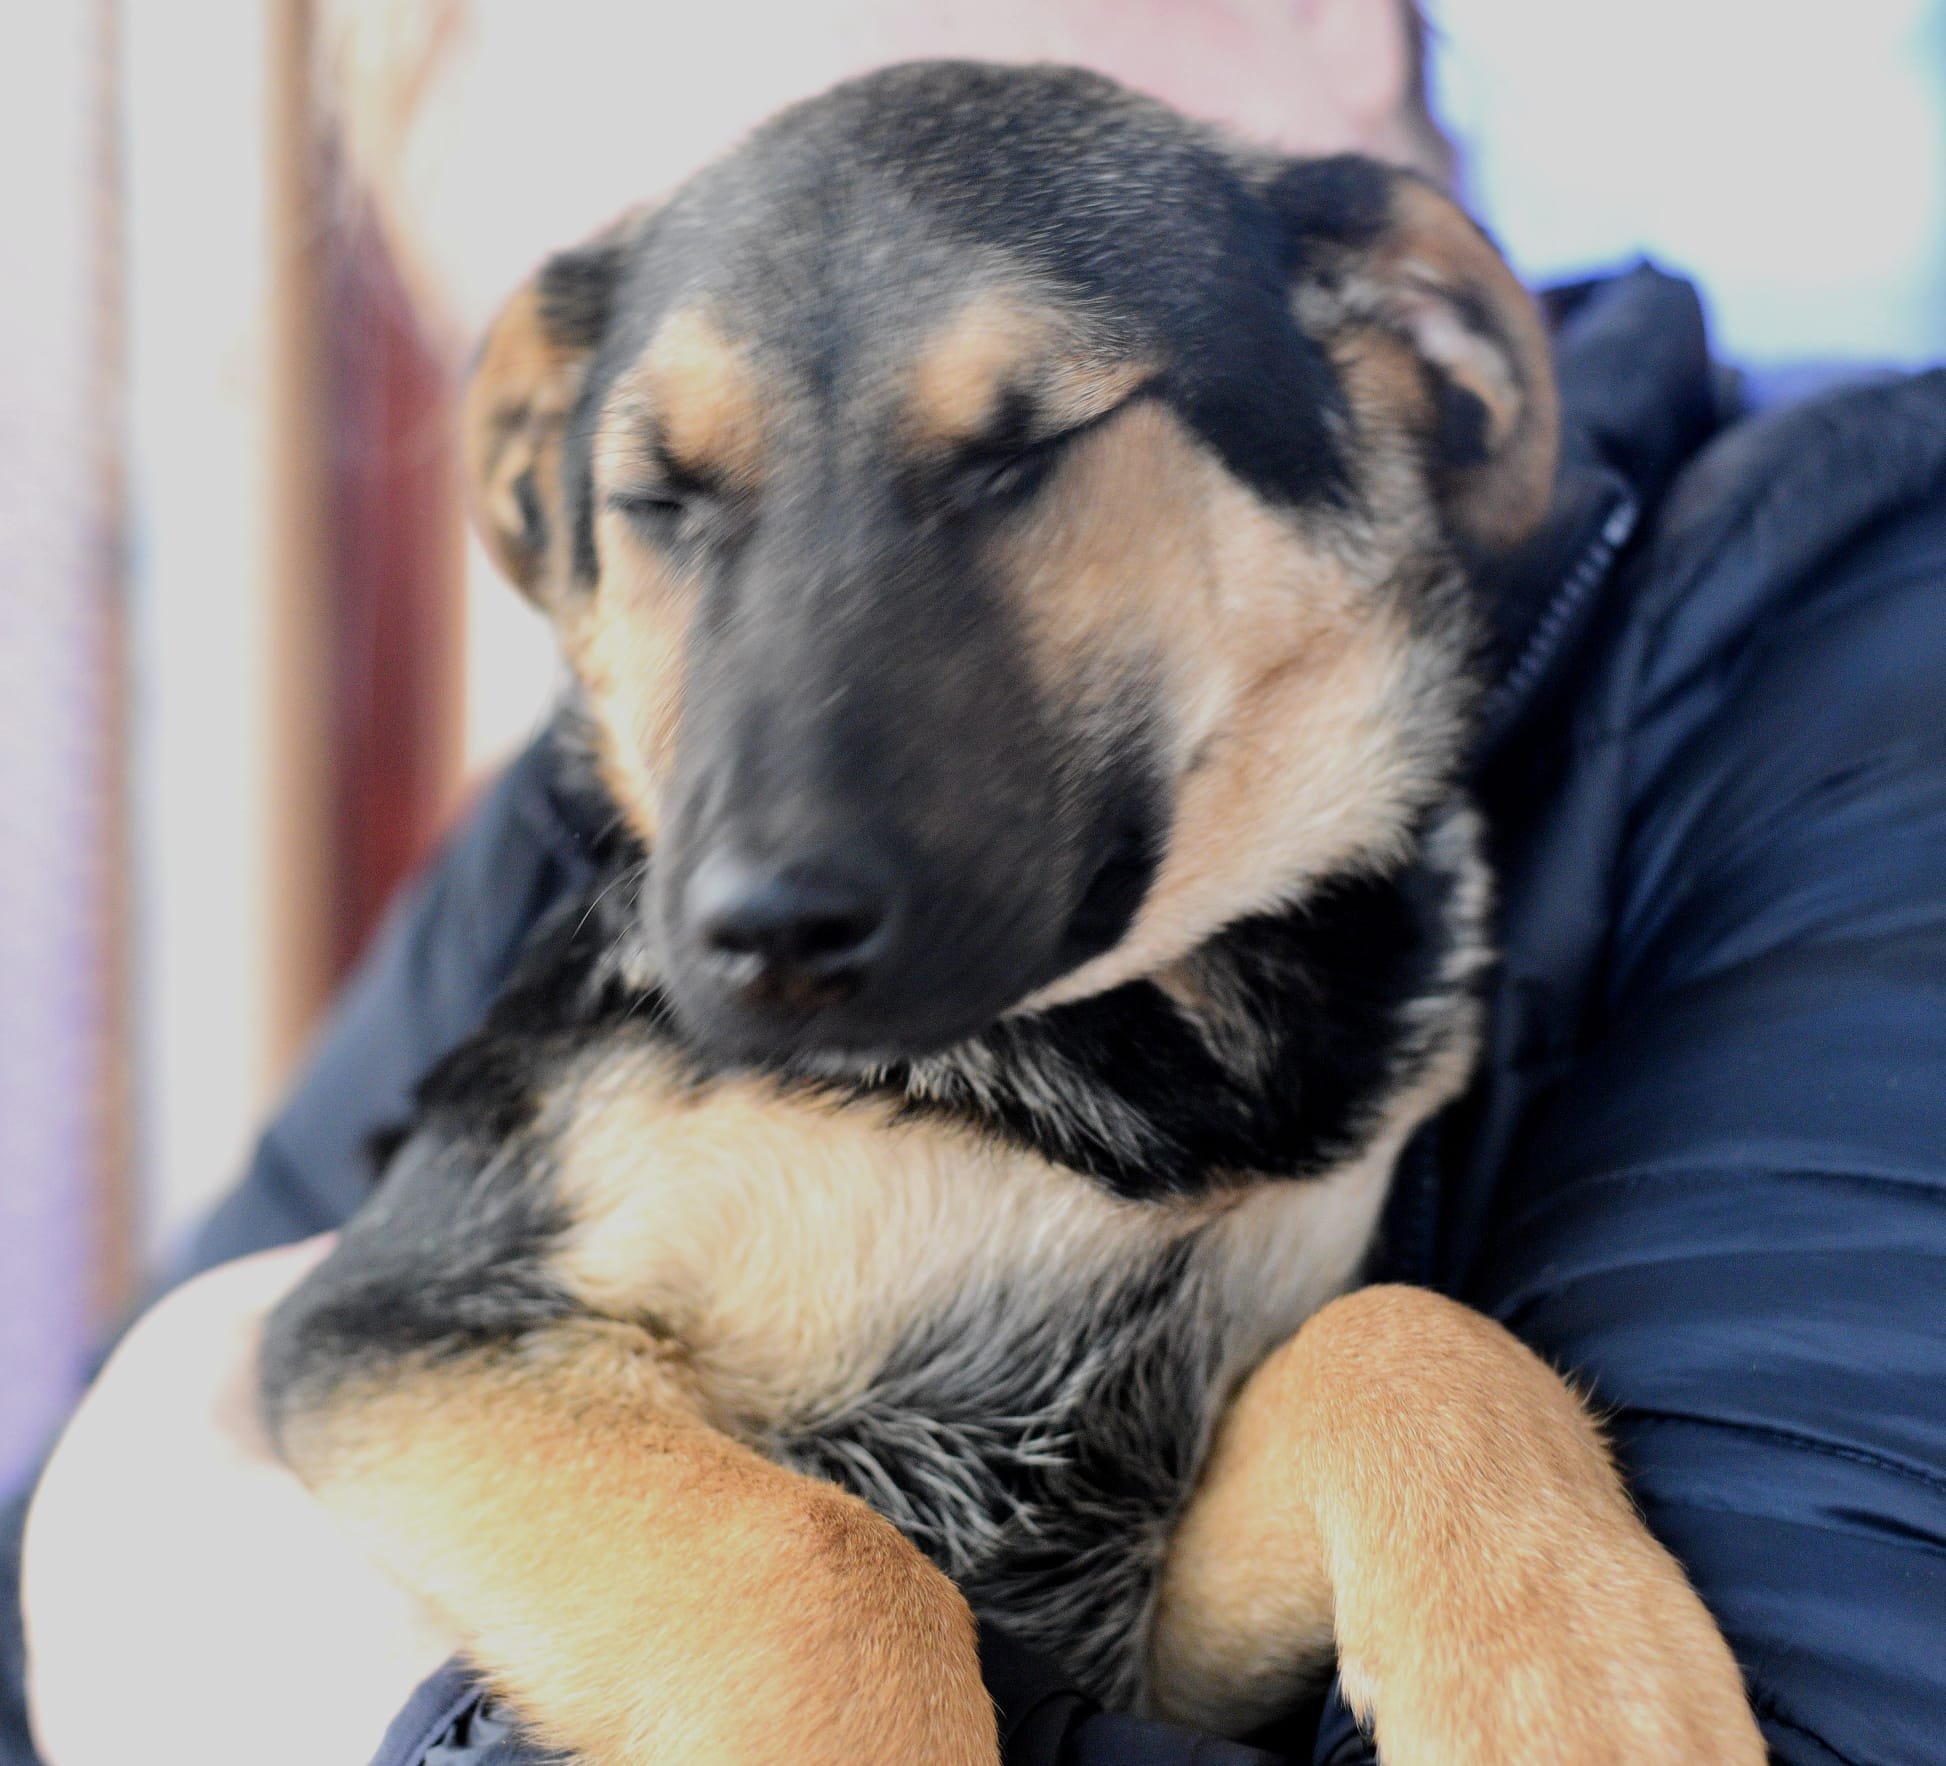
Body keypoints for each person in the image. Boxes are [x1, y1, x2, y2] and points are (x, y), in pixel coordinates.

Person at [10, 3, 1946, 1761]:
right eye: (674, 491)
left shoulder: (1845, 634)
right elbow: (297, 1429)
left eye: (994, 441)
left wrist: (334, 1686)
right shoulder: (585, 850)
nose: (767, 781)